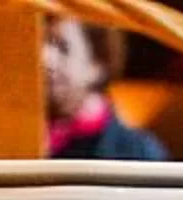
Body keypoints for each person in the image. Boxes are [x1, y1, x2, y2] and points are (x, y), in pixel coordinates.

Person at [43, 16, 168, 161]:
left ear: (98, 61)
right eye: (41, 45)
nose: (46, 60)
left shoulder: (136, 151)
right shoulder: (29, 139)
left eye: (63, 48)